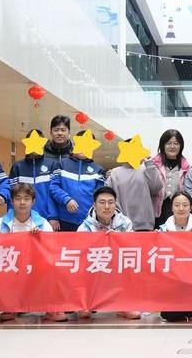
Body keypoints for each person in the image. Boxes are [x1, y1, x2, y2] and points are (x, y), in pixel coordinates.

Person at [0, 183, 53, 322]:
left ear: (33, 202)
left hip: (35, 267)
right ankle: (10, 305)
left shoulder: (43, 224)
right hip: (10, 267)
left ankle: (51, 306)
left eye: (26, 198)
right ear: (11, 201)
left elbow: (51, 251)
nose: (22, 202)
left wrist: (39, 240)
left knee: (54, 268)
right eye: (18, 198)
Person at [77, 186, 140, 320]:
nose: (107, 206)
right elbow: (80, 255)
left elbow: (133, 247)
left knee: (131, 264)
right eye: (102, 202)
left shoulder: (125, 222)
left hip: (118, 265)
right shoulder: (84, 228)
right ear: (94, 205)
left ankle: (124, 304)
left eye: (111, 202)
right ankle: (87, 302)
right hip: (95, 267)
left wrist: (118, 240)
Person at [159, 192, 192, 322]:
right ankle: (185, 309)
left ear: (190, 207)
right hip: (171, 278)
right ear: (172, 207)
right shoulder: (162, 230)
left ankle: (190, 307)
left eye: (185, 205)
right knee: (168, 316)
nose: (181, 208)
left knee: (191, 315)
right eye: (177, 205)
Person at [49, 130, 106, 232]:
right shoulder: (62, 164)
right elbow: (53, 187)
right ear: (75, 144)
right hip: (64, 221)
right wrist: (66, 200)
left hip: (89, 222)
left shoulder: (98, 170)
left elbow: (100, 196)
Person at [6, 129, 56, 227]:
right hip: (22, 219)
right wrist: (10, 217)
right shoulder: (18, 167)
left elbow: (53, 193)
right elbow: (12, 194)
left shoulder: (52, 165)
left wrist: (53, 216)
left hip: (46, 218)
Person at [105, 147, 162, 231]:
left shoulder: (147, 169)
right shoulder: (115, 173)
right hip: (121, 225)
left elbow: (156, 188)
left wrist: (150, 165)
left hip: (145, 224)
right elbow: (109, 197)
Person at [150, 129, 191, 229]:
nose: (172, 146)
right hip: (156, 210)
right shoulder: (152, 165)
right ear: (162, 145)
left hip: (178, 210)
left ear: (181, 146)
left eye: (176, 143)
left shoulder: (186, 167)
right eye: (168, 143)